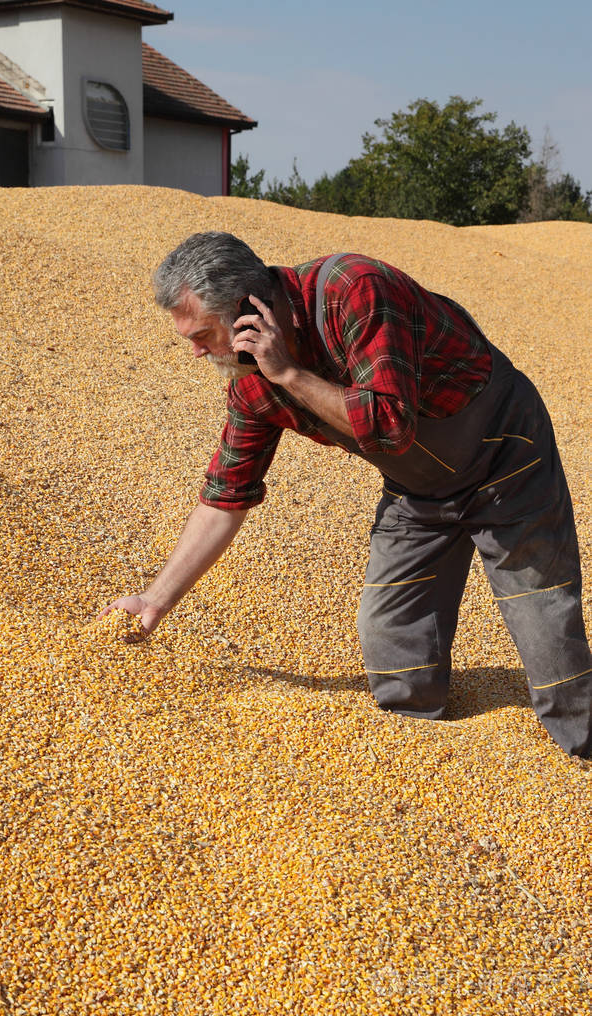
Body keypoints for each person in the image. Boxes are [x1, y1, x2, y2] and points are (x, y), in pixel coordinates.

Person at [99, 231, 592, 758]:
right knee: (394, 651)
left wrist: (290, 372)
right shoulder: (251, 384)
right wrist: (156, 600)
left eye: (202, 334)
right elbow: (227, 493)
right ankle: (422, 764)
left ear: (248, 311)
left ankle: (582, 752)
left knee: (546, 635)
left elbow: (389, 424)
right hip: (419, 493)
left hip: (505, 458)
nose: (197, 352)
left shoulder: (352, 291)